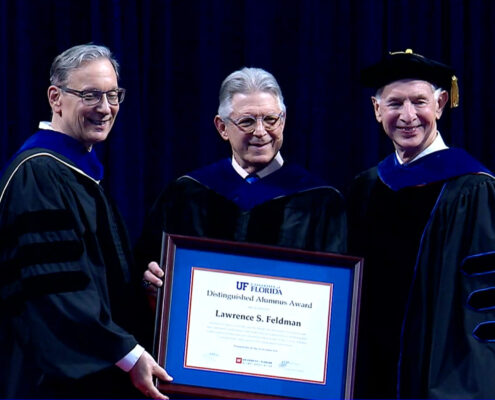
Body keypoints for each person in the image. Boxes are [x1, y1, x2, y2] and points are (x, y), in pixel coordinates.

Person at [0, 44, 172, 399]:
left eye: (113, 95)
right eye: (91, 95)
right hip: (53, 384)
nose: (106, 108)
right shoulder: (39, 174)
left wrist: (146, 289)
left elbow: (91, 276)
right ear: (55, 97)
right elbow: (54, 289)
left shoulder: (76, 173)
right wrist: (127, 354)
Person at [348, 49, 495, 398]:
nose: (408, 116)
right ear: (376, 109)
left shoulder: (473, 189)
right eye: (395, 103)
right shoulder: (366, 187)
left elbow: (482, 300)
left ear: (441, 104)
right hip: (367, 371)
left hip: (439, 377)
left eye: (420, 102)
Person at [135, 67, 347, 288]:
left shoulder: (320, 201)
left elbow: (334, 288)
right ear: (222, 127)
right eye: (247, 121)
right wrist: (149, 280)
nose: (260, 131)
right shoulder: (186, 194)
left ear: (283, 121)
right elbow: (147, 266)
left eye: (271, 119)